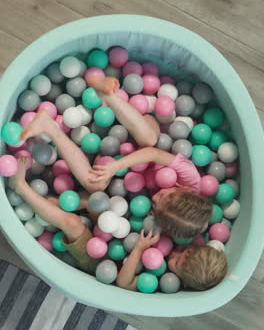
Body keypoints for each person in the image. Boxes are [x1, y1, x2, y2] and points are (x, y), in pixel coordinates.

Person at [20, 75, 212, 238]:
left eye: (156, 204)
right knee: (150, 139)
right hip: (141, 133)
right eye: (163, 196)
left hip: (121, 165)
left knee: (97, 186)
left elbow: (124, 200)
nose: (156, 197)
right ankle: (106, 94)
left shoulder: (170, 217)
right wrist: (115, 167)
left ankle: (49, 127)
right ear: (185, 190)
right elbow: (152, 154)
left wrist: (110, 172)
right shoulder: (190, 177)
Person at [9, 156, 159, 283]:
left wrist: (139, 248)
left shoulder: (156, 273)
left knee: (72, 223)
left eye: (178, 262)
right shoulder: (175, 227)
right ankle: (48, 204)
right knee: (96, 200)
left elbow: (123, 283)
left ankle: (21, 187)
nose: (177, 256)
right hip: (109, 227)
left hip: (98, 260)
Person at [117, 230, 228, 291]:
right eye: (184, 250)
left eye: (175, 263)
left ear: (183, 282)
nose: (174, 253)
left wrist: (138, 249)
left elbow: (124, 283)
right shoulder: (187, 239)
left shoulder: (165, 282)